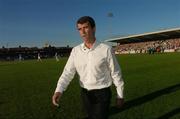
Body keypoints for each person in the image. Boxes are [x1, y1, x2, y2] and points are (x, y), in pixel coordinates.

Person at [52, 16, 124, 119]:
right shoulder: (76, 51)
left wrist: (120, 95)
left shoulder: (106, 49)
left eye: (85, 27)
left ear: (94, 28)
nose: (83, 32)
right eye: (80, 29)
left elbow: (116, 72)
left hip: (102, 93)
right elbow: (67, 72)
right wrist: (59, 90)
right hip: (85, 94)